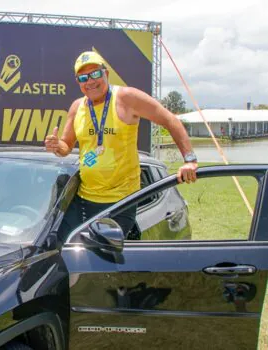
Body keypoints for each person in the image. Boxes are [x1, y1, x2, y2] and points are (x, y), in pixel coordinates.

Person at [45, 51, 198, 241]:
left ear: (106, 73)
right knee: (64, 249)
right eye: (83, 77)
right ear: (78, 82)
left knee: (102, 260)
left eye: (95, 74)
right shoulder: (77, 107)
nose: (90, 81)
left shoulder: (127, 98)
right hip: (84, 199)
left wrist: (189, 160)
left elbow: (170, 119)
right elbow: (66, 145)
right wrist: (56, 145)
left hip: (121, 202)